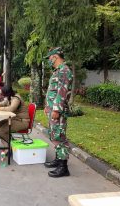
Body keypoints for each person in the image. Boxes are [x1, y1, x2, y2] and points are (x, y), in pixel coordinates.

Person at [43, 47, 73, 178]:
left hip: (58, 111)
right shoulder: (57, 71)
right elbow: (53, 91)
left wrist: (56, 109)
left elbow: (62, 91)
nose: (49, 60)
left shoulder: (64, 71)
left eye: (50, 57)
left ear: (55, 56)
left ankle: (63, 167)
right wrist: (47, 106)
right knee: (54, 134)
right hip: (52, 109)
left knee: (60, 137)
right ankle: (58, 159)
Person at [0, 86, 29, 152]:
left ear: (7, 93)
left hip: (22, 121)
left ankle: (9, 148)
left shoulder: (16, 99)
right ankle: (6, 145)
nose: (1, 94)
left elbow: (11, 108)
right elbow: (4, 103)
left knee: (2, 131)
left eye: (2, 93)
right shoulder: (11, 97)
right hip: (15, 119)